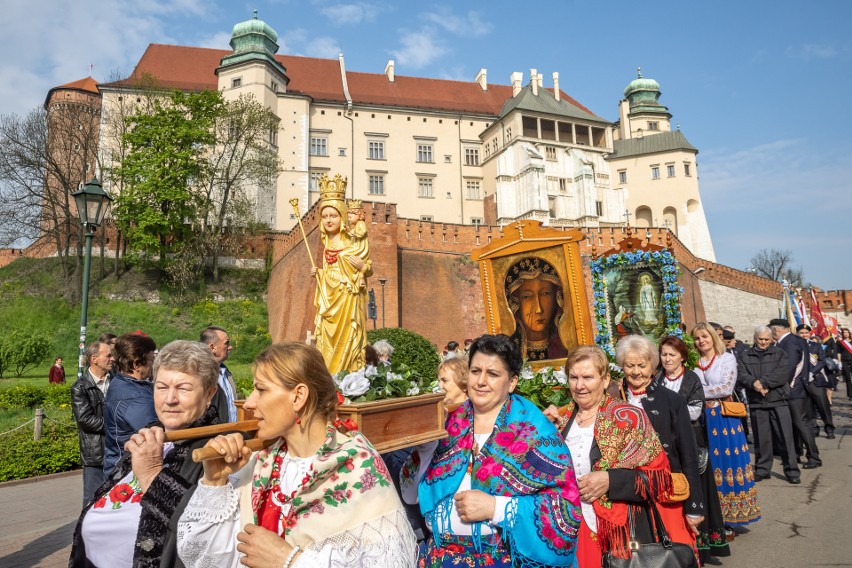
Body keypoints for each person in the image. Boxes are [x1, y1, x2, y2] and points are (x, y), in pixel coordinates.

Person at [176, 342, 417, 567]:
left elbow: (390, 561)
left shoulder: (357, 466)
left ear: (298, 396)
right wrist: (215, 482)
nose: (249, 403)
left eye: (260, 389)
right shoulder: (260, 463)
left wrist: (290, 560)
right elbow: (203, 557)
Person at [402, 334, 581, 567]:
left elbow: (565, 512)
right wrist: (425, 450)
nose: (480, 382)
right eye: (475, 371)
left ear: (512, 382)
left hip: (502, 560)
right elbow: (410, 496)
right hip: (440, 559)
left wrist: (496, 508)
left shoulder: (536, 433)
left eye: (493, 374)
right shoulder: (448, 426)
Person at [69, 340, 221, 567]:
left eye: (183, 388)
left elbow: (210, 533)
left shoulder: (217, 450)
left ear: (209, 393)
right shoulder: (151, 436)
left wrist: (153, 476)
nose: (170, 399)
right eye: (161, 387)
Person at [547, 345, 674, 567]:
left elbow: (659, 479)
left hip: (619, 533)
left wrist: (611, 480)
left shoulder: (630, 418)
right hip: (568, 529)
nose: (580, 385)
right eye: (574, 377)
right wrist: (542, 431)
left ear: (605, 380)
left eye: (588, 377)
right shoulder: (561, 419)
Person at [616, 336, 702, 551]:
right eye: (630, 365)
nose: (636, 372)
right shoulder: (612, 399)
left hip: (666, 491)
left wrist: (694, 506)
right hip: (625, 493)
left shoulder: (672, 401)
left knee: (672, 552)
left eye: (642, 365)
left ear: (652, 365)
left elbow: (688, 454)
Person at [692, 322, 760, 528]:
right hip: (702, 419)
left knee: (727, 466)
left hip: (724, 419)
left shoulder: (726, 358)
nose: (701, 341)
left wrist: (697, 393)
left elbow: (726, 387)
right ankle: (715, 516)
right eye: (697, 338)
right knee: (709, 466)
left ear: (713, 337)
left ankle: (731, 518)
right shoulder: (695, 362)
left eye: (704, 336)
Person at [311, 175, 373, 374]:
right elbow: (329, 270)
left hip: (348, 299)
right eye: (325, 216)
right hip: (329, 300)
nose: (329, 220)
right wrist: (319, 274)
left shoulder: (352, 241)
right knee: (325, 341)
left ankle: (348, 375)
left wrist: (363, 266)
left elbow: (368, 268)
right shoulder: (327, 243)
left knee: (349, 337)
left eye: (333, 215)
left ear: (343, 217)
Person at [737, 326, 800, 483]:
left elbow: (783, 373)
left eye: (766, 339)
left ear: (771, 339)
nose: (764, 342)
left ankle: (791, 470)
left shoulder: (780, 353)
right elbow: (741, 374)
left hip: (778, 400)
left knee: (785, 437)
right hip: (757, 402)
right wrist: (754, 384)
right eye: (760, 339)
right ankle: (763, 469)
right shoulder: (745, 355)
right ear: (755, 338)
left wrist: (763, 383)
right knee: (761, 439)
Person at [103, 333, 159, 474]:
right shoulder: (136, 397)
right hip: (129, 469)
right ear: (136, 364)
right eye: (151, 360)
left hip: (117, 463)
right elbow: (156, 435)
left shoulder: (120, 382)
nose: (154, 365)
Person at [769, 318, 820, 469]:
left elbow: (790, 366)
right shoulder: (794, 339)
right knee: (795, 424)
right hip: (796, 388)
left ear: (776, 330)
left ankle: (813, 456)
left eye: (772, 331)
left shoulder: (788, 342)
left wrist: (780, 385)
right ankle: (797, 452)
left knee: (801, 423)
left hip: (793, 388)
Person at [71, 341, 114, 506]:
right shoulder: (80, 387)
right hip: (95, 454)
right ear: (94, 359)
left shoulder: (117, 381)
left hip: (117, 450)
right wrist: (116, 426)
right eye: (108, 355)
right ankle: (85, 531)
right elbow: (85, 420)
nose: (112, 359)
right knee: (92, 500)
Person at [504, 257, 568, 361]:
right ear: (515, 303)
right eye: (527, 297)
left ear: (557, 299)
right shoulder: (510, 354)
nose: (539, 309)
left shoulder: (568, 349)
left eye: (545, 294)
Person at [797, 324, 835, 439]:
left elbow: (822, 361)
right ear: (797, 334)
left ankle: (829, 428)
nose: (804, 335)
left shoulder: (816, 346)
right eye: (801, 333)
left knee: (823, 405)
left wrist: (812, 373)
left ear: (810, 333)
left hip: (816, 380)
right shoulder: (794, 346)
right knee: (808, 407)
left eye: (806, 333)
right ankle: (814, 428)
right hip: (801, 381)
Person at [201, 326, 238, 423]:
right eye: (227, 343)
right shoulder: (199, 375)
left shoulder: (226, 372)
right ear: (212, 347)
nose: (230, 347)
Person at [837, 327, 852, 399]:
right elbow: (839, 353)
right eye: (844, 333)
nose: (846, 334)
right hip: (844, 361)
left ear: (849, 333)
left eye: (847, 332)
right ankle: (850, 394)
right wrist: (839, 362)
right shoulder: (840, 342)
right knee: (848, 378)